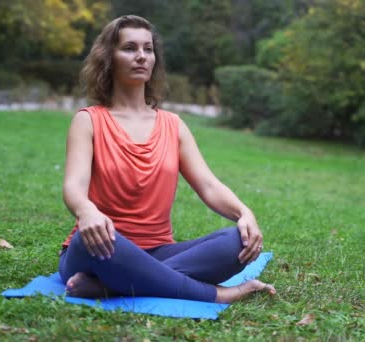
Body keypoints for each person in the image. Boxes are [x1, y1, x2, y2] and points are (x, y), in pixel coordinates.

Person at [58, 15, 276, 304]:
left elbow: (208, 185)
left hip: (158, 250)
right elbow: (74, 186)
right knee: (87, 241)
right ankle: (220, 295)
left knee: (235, 242)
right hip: (104, 246)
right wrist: (86, 211)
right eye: (129, 48)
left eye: (148, 49)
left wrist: (244, 213)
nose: (141, 56)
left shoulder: (173, 125)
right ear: (108, 57)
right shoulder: (88, 121)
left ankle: (111, 286)